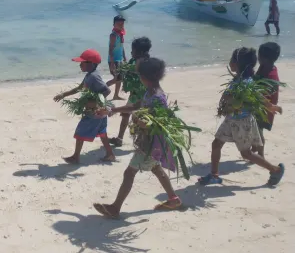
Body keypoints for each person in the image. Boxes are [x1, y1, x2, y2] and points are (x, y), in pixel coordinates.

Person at [93, 57, 181, 219]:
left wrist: (138, 121)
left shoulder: (158, 98)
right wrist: (111, 110)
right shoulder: (150, 92)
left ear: (144, 77)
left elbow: (156, 123)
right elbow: (135, 105)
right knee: (155, 167)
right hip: (149, 142)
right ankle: (173, 199)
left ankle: (115, 208)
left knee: (129, 173)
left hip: (150, 143)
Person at [198, 47, 285, 186]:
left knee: (246, 154)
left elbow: (257, 97)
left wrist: (271, 107)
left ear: (237, 64)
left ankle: (275, 170)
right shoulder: (239, 79)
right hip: (231, 119)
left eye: (232, 60)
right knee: (216, 144)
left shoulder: (246, 83)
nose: (230, 63)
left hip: (241, 122)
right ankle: (214, 175)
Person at [54, 49, 115, 164]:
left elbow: (107, 91)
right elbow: (79, 88)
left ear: (91, 64)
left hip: (95, 111)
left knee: (80, 132)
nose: (80, 65)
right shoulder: (89, 75)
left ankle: (76, 157)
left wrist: (95, 103)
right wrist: (63, 94)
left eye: (82, 63)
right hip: (99, 112)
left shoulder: (93, 77)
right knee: (102, 132)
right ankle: (110, 154)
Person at [108, 37, 152, 147]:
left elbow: (133, 70)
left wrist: (121, 69)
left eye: (133, 50)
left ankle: (139, 139)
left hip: (143, 96)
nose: (131, 52)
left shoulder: (145, 64)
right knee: (127, 114)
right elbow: (122, 75)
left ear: (141, 52)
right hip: (134, 94)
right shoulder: (133, 61)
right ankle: (121, 138)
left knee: (137, 118)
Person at [252, 42, 281, 158]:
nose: (257, 58)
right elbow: (256, 78)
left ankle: (261, 156)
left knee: (259, 132)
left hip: (264, 109)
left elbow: (268, 95)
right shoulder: (264, 66)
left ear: (264, 58)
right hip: (257, 106)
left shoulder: (272, 76)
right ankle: (253, 151)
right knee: (255, 130)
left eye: (259, 55)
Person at [108, 15, 127, 100]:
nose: (120, 25)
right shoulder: (113, 35)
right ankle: (101, 89)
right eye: (118, 23)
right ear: (114, 24)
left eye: (122, 23)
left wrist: (124, 58)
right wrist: (112, 64)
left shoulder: (121, 34)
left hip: (119, 59)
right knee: (117, 78)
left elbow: (121, 47)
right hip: (114, 60)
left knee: (120, 78)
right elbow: (110, 50)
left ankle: (116, 95)